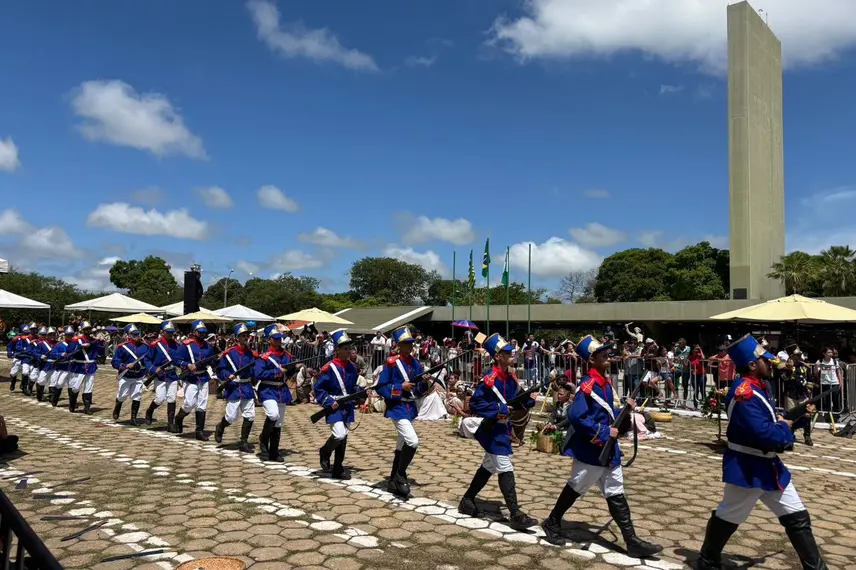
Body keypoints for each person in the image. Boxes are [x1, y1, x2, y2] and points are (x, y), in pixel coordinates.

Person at [696, 334, 828, 570]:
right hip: (748, 468)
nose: (771, 363)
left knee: (797, 516)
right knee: (730, 514)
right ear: (752, 365)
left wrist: (798, 420)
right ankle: (707, 559)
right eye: (765, 360)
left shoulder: (760, 387)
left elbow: (775, 424)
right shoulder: (745, 393)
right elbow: (764, 434)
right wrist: (784, 428)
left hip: (768, 466)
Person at [541, 335, 662, 558]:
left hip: (608, 449)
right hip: (592, 448)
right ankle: (552, 522)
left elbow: (606, 414)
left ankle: (631, 540)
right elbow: (577, 416)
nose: (609, 357)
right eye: (604, 355)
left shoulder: (604, 383)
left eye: (608, 354)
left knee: (616, 491)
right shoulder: (589, 384)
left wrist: (625, 411)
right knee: (576, 486)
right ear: (592, 359)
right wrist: (606, 432)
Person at [459, 333, 538, 530]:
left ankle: (467, 499)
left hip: (503, 429)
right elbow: (476, 403)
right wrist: (500, 410)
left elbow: (517, 398)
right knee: (505, 467)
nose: (512, 354)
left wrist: (530, 400)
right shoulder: (490, 378)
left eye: (512, 352)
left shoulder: (509, 376)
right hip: (492, 430)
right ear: (497, 356)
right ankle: (515, 513)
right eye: (507, 352)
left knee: (488, 466)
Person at [375, 326, 431, 497]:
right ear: (398, 345)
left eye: (411, 344)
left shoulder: (415, 364)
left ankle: (393, 481)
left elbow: (418, 390)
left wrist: (426, 382)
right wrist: (400, 387)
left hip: (409, 408)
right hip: (397, 407)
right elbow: (381, 387)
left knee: (401, 445)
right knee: (412, 442)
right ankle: (400, 475)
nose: (410, 347)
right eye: (406, 344)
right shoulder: (392, 363)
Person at [314, 330, 363, 480]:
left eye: (349, 348)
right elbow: (319, 389)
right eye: (345, 348)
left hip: (347, 405)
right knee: (339, 434)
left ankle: (338, 468)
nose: (348, 351)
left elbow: (352, 387)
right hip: (334, 404)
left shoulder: (353, 367)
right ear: (337, 350)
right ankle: (325, 451)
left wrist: (360, 393)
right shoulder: (329, 367)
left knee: (344, 436)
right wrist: (329, 402)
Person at [214, 323, 258, 452]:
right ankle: (220, 426)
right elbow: (220, 370)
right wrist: (228, 376)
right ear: (236, 337)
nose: (245, 338)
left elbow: (255, 370)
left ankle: (243, 442)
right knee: (231, 417)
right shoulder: (229, 353)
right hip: (233, 387)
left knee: (250, 415)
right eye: (242, 336)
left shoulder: (251, 354)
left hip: (247, 386)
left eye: (247, 336)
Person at [254, 324, 293, 462]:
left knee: (278, 423)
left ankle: (274, 453)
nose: (279, 341)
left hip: (281, 390)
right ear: (269, 340)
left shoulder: (287, 356)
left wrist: (294, 368)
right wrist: (277, 372)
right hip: (268, 389)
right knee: (273, 414)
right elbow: (258, 373)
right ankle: (264, 438)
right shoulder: (264, 357)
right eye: (275, 339)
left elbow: (289, 371)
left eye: (280, 338)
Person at [174, 320, 218, 440]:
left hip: (203, 377)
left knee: (202, 405)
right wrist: (187, 365)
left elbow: (212, 362)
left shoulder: (208, 347)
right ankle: (179, 418)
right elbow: (176, 359)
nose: (203, 334)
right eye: (200, 332)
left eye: (204, 332)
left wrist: (217, 361)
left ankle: (199, 431)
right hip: (191, 378)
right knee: (189, 403)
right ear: (194, 332)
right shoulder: (186, 345)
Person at [144, 321, 181, 430]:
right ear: (162, 332)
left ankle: (170, 424)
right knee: (160, 398)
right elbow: (147, 359)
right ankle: (149, 411)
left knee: (172, 398)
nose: (170, 334)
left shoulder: (177, 345)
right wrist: (154, 369)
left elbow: (179, 359)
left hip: (172, 375)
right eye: (168, 332)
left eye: (172, 333)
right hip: (160, 375)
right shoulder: (155, 345)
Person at [110, 324, 149, 425]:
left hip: (139, 375)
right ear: (128, 335)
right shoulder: (122, 347)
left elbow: (149, 359)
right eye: (134, 334)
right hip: (126, 376)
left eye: (137, 334)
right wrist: (125, 366)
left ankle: (133, 418)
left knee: (137, 396)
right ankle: (117, 407)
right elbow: (115, 362)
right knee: (122, 396)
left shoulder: (145, 347)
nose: (137, 336)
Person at [67, 321, 104, 414]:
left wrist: (101, 341)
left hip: (91, 366)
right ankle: (72, 403)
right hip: (79, 366)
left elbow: (100, 352)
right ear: (82, 330)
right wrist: (81, 346)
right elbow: (69, 351)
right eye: (86, 329)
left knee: (89, 387)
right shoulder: (76, 340)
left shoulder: (93, 340)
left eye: (89, 329)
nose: (88, 331)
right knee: (76, 387)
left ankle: (87, 407)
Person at [48, 326, 76, 407]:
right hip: (63, 368)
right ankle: (55, 399)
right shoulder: (59, 345)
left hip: (73, 368)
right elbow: (52, 355)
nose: (70, 337)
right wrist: (60, 354)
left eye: (71, 335)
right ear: (65, 336)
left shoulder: (76, 345)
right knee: (59, 384)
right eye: (68, 335)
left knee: (72, 385)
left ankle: (72, 403)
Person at [32, 327, 57, 402]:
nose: (52, 336)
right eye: (50, 335)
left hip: (55, 365)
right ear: (47, 336)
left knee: (54, 381)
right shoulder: (41, 344)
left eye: (54, 335)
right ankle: (39, 394)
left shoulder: (58, 344)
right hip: (45, 365)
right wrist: (40, 356)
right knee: (41, 380)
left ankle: (51, 397)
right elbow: (35, 352)